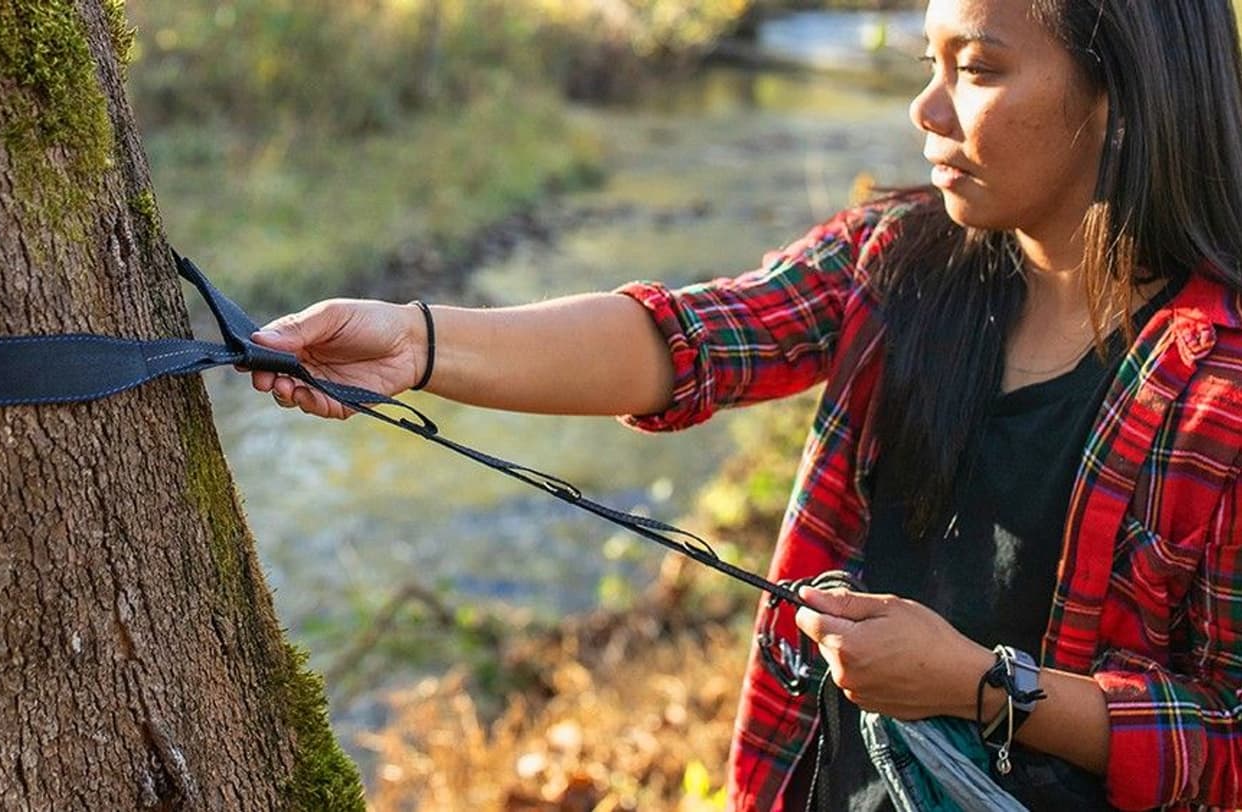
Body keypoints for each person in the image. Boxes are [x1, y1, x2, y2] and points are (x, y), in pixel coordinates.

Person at [246, 0, 1242, 809]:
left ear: (1119, 96)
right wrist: (416, 341)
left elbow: (1226, 735)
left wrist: (982, 687)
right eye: (928, 63)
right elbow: (684, 340)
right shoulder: (890, 260)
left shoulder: (1218, 395)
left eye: (976, 69)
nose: (926, 111)